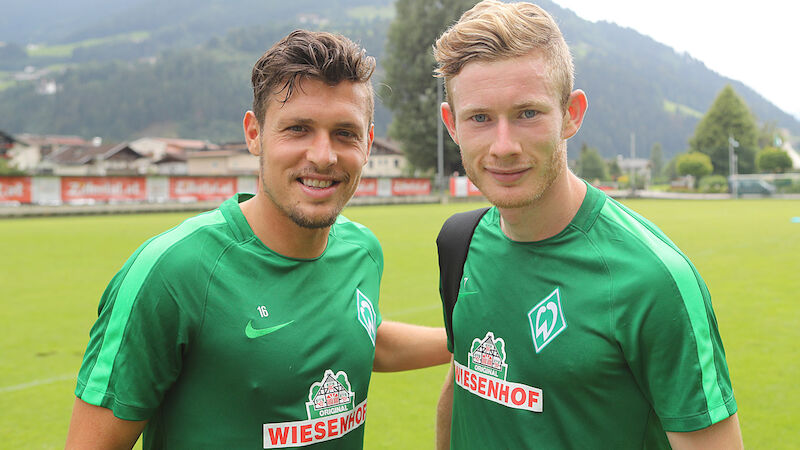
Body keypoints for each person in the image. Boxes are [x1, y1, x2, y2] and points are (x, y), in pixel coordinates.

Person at [65, 29, 450, 449]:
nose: (323, 155)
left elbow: (361, 338)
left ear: (369, 143)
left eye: (345, 133)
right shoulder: (172, 271)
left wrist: (463, 337)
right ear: (254, 134)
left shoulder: (362, 250)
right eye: (298, 128)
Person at [432, 1, 742, 449]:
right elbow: (463, 382)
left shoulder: (655, 280)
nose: (504, 146)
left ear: (571, 114)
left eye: (528, 113)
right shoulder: (459, 242)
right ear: (452, 124)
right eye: (480, 118)